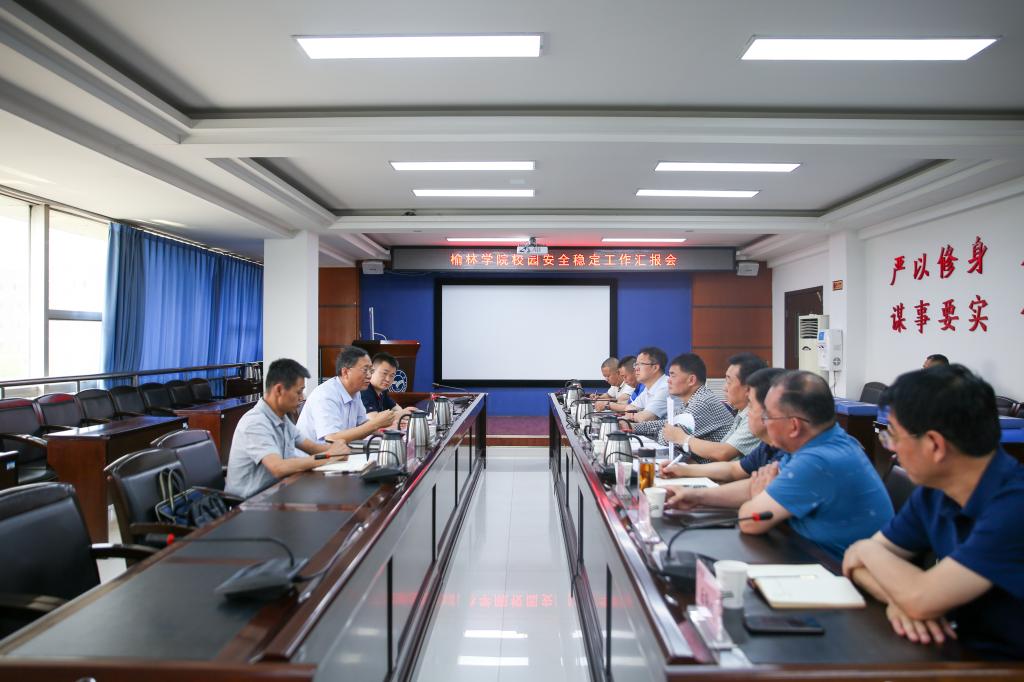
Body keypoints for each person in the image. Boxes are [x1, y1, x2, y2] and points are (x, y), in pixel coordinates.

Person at [842, 365, 1024, 658]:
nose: (891, 449)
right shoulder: (935, 492)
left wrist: (863, 548)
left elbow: (916, 595)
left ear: (935, 445)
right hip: (957, 650)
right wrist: (899, 600)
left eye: (893, 436)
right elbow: (856, 567)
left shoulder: (1014, 506)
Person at [737, 371, 893, 560]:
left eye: (768, 416)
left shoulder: (819, 460)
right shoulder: (822, 441)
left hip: (834, 569)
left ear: (794, 426)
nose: (765, 422)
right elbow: (763, 485)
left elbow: (750, 520)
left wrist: (758, 498)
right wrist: (704, 496)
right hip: (807, 553)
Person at [663, 367, 788, 510]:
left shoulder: (799, 459)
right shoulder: (769, 446)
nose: (749, 412)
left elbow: (751, 516)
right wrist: (682, 471)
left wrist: (756, 498)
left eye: (751, 405)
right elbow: (735, 469)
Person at [225, 358, 350, 499]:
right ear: (279, 390)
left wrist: (338, 449)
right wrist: (330, 456)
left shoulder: (282, 418)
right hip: (250, 502)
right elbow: (278, 468)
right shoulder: (255, 423)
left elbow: (313, 448)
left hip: (279, 491)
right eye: (298, 392)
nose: (302, 397)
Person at [662, 352, 766, 464]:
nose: (724, 388)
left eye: (729, 382)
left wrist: (682, 438)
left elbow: (723, 453)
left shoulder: (756, 416)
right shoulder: (741, 414)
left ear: (749, 387)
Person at [296, 345, 397, 444]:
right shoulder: (326, 395)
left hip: (339, 451)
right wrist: (376, 423)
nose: (369, 375)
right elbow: (332, 438)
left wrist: (388, 433)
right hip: (315, 454)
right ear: (345, 372)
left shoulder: (355, 392)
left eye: (371, 370)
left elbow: (362, 424)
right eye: (365, 370)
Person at [632, 353, 734, 449]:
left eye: (673, 376)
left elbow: (669, 438)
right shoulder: (690, 400)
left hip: (710, 462)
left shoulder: (702, 402)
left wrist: (636, 429)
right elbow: (668, 424)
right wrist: (633, 427)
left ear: (691, 380)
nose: (668, 380)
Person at [597, 347, 668, 421]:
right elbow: (629, 408)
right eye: (636, 364)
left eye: (641, 364)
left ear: (655, 368)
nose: (636, 369)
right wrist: (635, 414)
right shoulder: (648, 388)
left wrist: (633, 415)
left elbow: (645, 417)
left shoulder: (665, 387)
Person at [360, 352, 417, 418]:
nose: (388, 379)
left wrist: (405, 413)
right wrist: (401, 414)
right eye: (384, 373)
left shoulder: (382, 392)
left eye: (392, 375)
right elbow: (373, 418)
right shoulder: (364, 390)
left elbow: (397, 409)